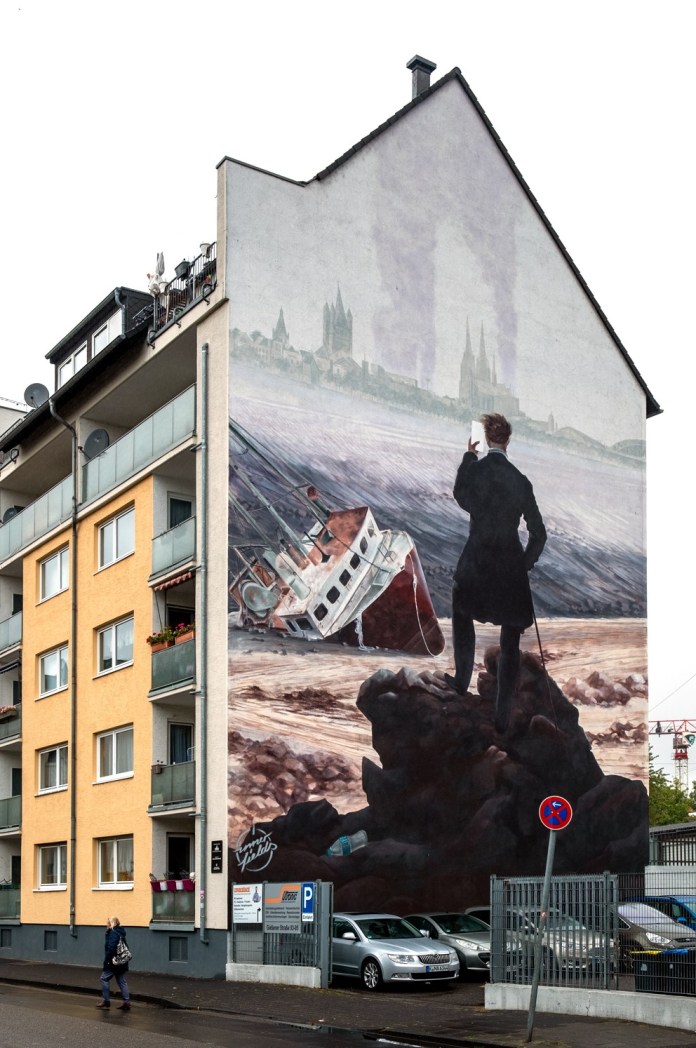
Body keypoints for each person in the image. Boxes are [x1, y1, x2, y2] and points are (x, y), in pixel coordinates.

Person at [445, 413, 546, 732]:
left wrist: (468, 456)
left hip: (477, 563)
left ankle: (461, 682)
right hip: (509, 570)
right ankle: (502, 715)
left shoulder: (477, 470)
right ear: (508, 440)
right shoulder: (521, 480)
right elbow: (539, 533)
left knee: (462, 612)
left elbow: (460, 495)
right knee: (510, 641)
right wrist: (524, 563)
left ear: (486, 439)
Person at [97, 916, 131, 1010]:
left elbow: (111, 948)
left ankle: (106, 1001)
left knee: (104, 978)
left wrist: (106, 961)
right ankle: (126, 1002)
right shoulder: (120, 932)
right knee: (121, 980)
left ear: (112, 923)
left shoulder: (113, 933)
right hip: (122, 961)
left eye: (107, 923)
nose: (106, 925)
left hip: (114, 962)